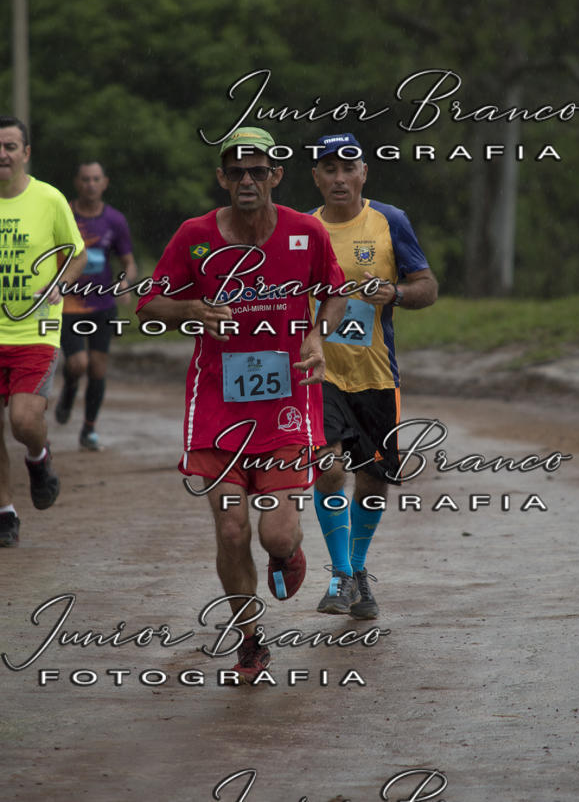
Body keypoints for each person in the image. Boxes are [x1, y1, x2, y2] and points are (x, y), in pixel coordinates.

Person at [137, 127, 347, 682]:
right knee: (232, 530)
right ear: (222, 178)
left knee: (275, 534)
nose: (247, 180)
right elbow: (148, 302)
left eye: (258, 171)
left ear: (276, 175)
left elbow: (336, 291)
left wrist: (318, 337)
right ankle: (250, 641)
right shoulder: (195, 235)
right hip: (216, 404)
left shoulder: (306, 231)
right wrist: (192, 312)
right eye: (237, 172)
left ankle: (287, 553)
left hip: (286, 403)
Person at [310, 132, 438, 618]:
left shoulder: (391, 221)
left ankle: (357, 569)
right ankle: (341, 576)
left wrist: (398, 295)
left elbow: (427, 285)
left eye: (349, 168)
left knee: (373, 482)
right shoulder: (303, 228)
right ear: (316, 177)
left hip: (378, 375)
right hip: (321, 372)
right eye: (329, 169)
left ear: (364, 171)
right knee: (329, 467)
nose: (339, 178)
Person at [0, 115, 87, 547]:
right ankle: (5, 512)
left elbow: (76, 254)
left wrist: (59, 284)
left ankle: (38, 457)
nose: (3, 154)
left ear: (25, 153)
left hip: (35, 330)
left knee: (22, 420)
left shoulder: (48, 199)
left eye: (11, 146)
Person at [55, 162, 136, 451]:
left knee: (98, 369)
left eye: (96, 179)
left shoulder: (115, 220)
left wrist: (124, 282)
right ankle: (68, 390)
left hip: (102, 304)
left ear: (105, 183)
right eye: (85, 179)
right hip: (67, 305)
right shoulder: (62, 212)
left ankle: (89, 429)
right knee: (78, 364)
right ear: (77, 182)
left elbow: (128, 260)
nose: (90, 184)